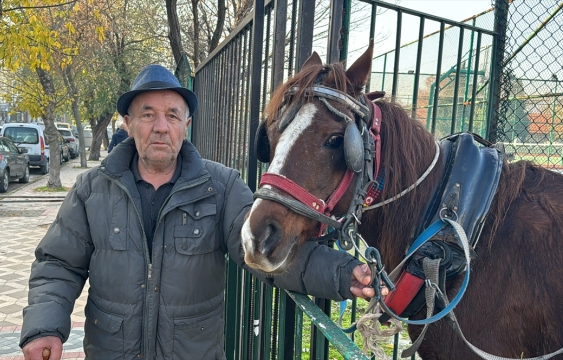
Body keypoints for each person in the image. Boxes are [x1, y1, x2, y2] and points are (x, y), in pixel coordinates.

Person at [20, 64, 383, 359]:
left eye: (172, 116)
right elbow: (58, 264)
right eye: (148, 115)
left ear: (186, 126)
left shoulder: (221, 186)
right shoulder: (91, 189)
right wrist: (45, 327)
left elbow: (257, 249)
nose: (161, 127)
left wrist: (342, 273)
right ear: (128, 125)